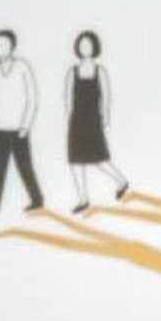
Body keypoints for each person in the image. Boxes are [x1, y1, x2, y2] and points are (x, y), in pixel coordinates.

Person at [0, 29, 44, 214]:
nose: (0, 47)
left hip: (19, 128)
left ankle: (37, 199)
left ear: (12, 46)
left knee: (25, 166)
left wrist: (26, 125)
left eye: (4, 44)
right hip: (1, 127)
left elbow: (32, 98)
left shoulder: (22, 67)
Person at [63, 31, 132, 213]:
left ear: (94, 47)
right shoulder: (72, 71)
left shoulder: (100, 71)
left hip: (93, 120)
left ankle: (121, 181)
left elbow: (107, 95)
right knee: (75, 161)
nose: (85, 48)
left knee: (99, 158)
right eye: (82, 45)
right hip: (76, 121)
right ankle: (83, 199)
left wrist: (106, 114)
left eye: (88, 44)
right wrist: (69, 118)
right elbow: (67, 98)